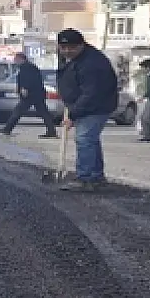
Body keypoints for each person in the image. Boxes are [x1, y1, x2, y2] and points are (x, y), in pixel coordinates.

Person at [55, 28, 118, 192]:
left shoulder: (92, 63)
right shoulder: (70, 58)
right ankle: (96, 176)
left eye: (72, 48)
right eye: (64, 48)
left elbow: (91, 93)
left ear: (81, 45)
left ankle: (85, 178)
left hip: (96, 105)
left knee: (84, 139)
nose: (67, 51)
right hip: (83, 103)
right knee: (90, 140)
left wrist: (74, 114)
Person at [0, 52, 58, 138]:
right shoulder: (28, 66)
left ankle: (7, 129)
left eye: (16, 59)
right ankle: (51, 131)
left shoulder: (27, 67)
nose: (15, 61)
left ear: (21, 59)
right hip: (36, 94)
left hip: (31, 94)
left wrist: (24, 88)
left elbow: (29, 79)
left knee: (18, 111)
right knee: (44, 113)